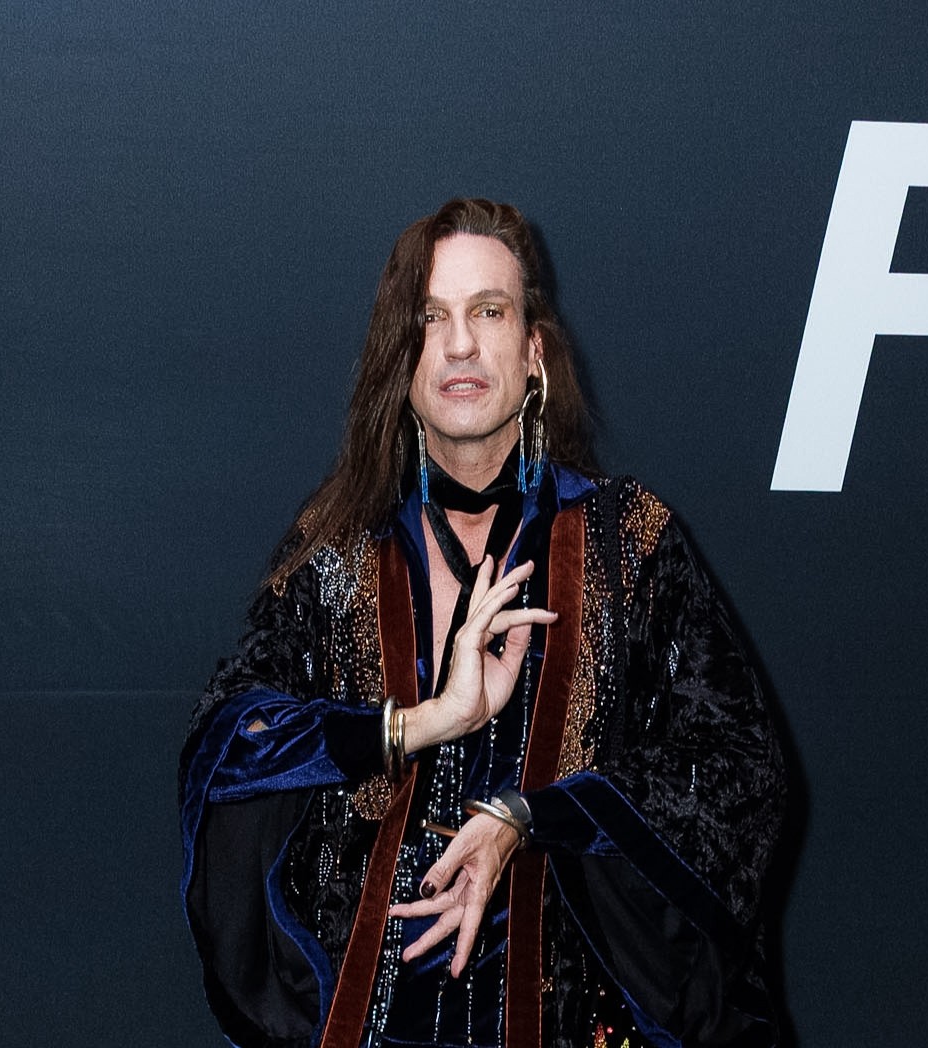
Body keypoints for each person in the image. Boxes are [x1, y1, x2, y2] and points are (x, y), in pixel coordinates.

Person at [180, 198, 785, 1048]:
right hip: (366, 1022)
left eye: (488, 311)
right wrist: (425, 721)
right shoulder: (336, 546)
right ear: (399, 360)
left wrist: (526, 818)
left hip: (567, 1018)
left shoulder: (628, 540)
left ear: (534, 352)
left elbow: (735, 769)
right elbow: (229, 743)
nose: (459, 344)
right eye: (429, 318)